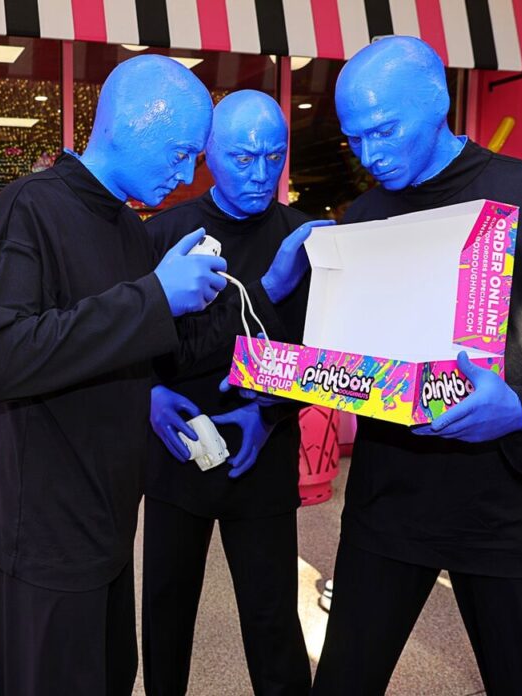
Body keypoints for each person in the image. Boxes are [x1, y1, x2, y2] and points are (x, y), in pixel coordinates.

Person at [0, 55, 317, 695]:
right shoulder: (29, 209)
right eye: (182, 153)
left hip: (107, 518)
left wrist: (157, 393)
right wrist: (155, 299)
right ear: (134, 125)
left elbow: (158, 349)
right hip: (43, 522)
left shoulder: (128, 226)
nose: (188, 173)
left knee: (110, 677)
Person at [312, 36, 522, 695]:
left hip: (512, 510)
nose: (369, 155)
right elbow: (349, 358)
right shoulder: (361, 217)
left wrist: (521, 408)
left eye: (386, 131)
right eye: (354, 138)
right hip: (386, 504)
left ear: (439, 103)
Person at [142, 90, 314, 696]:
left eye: (274, 156)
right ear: (209, 153)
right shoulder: (163, 233)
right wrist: (151, 396)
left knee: (271, 617)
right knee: (165, 612)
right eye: (243, 158)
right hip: (174, 454)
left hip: (262, 460)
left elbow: (321, 357)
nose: (261, 174)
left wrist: (269, 414)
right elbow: (139, 340)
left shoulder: (304, 240)